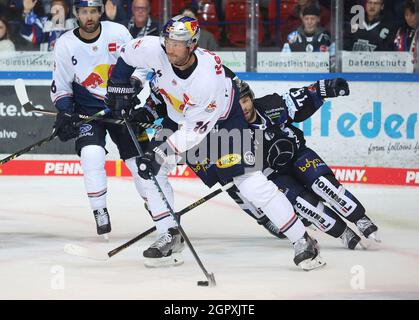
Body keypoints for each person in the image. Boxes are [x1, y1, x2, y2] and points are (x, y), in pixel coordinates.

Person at [105, 15, 326, 271]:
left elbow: (194, 132)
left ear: (192, 45)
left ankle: (302, 240)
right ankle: (169, 233)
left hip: (222, 121)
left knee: (250, 185)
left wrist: (160, 155)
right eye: (168, 41)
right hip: (180, 117)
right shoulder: (154, 49)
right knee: (148, 174)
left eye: (178, 43)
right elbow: (126, 56)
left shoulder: (205, 80)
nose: (170, 48)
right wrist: (117, 88)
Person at [228, 78, 380, 249]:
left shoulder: (271, 105)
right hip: (274, 174)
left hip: (298, 154)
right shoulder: (233, 132)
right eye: (237, 104)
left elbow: (300, 99)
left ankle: (360, 218)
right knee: (305, 205)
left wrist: (323, 89)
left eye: (245, 100)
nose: (243, 107)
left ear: (251, 98)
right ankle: (343, 233)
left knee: (324, 185)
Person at [50, 0, 152, 239]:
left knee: (140, 160)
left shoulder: (118, 32)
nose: (89, 17)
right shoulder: (66, 44)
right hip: (87, 111)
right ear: (77, 13)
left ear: (100, 13)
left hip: (121, 107)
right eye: (84, 12)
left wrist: (133, 86)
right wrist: (66, 111)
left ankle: (155, 203)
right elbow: (62, 86)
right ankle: (100, 210)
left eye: (93, 12)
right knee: (91, 154)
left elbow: (139, 64)